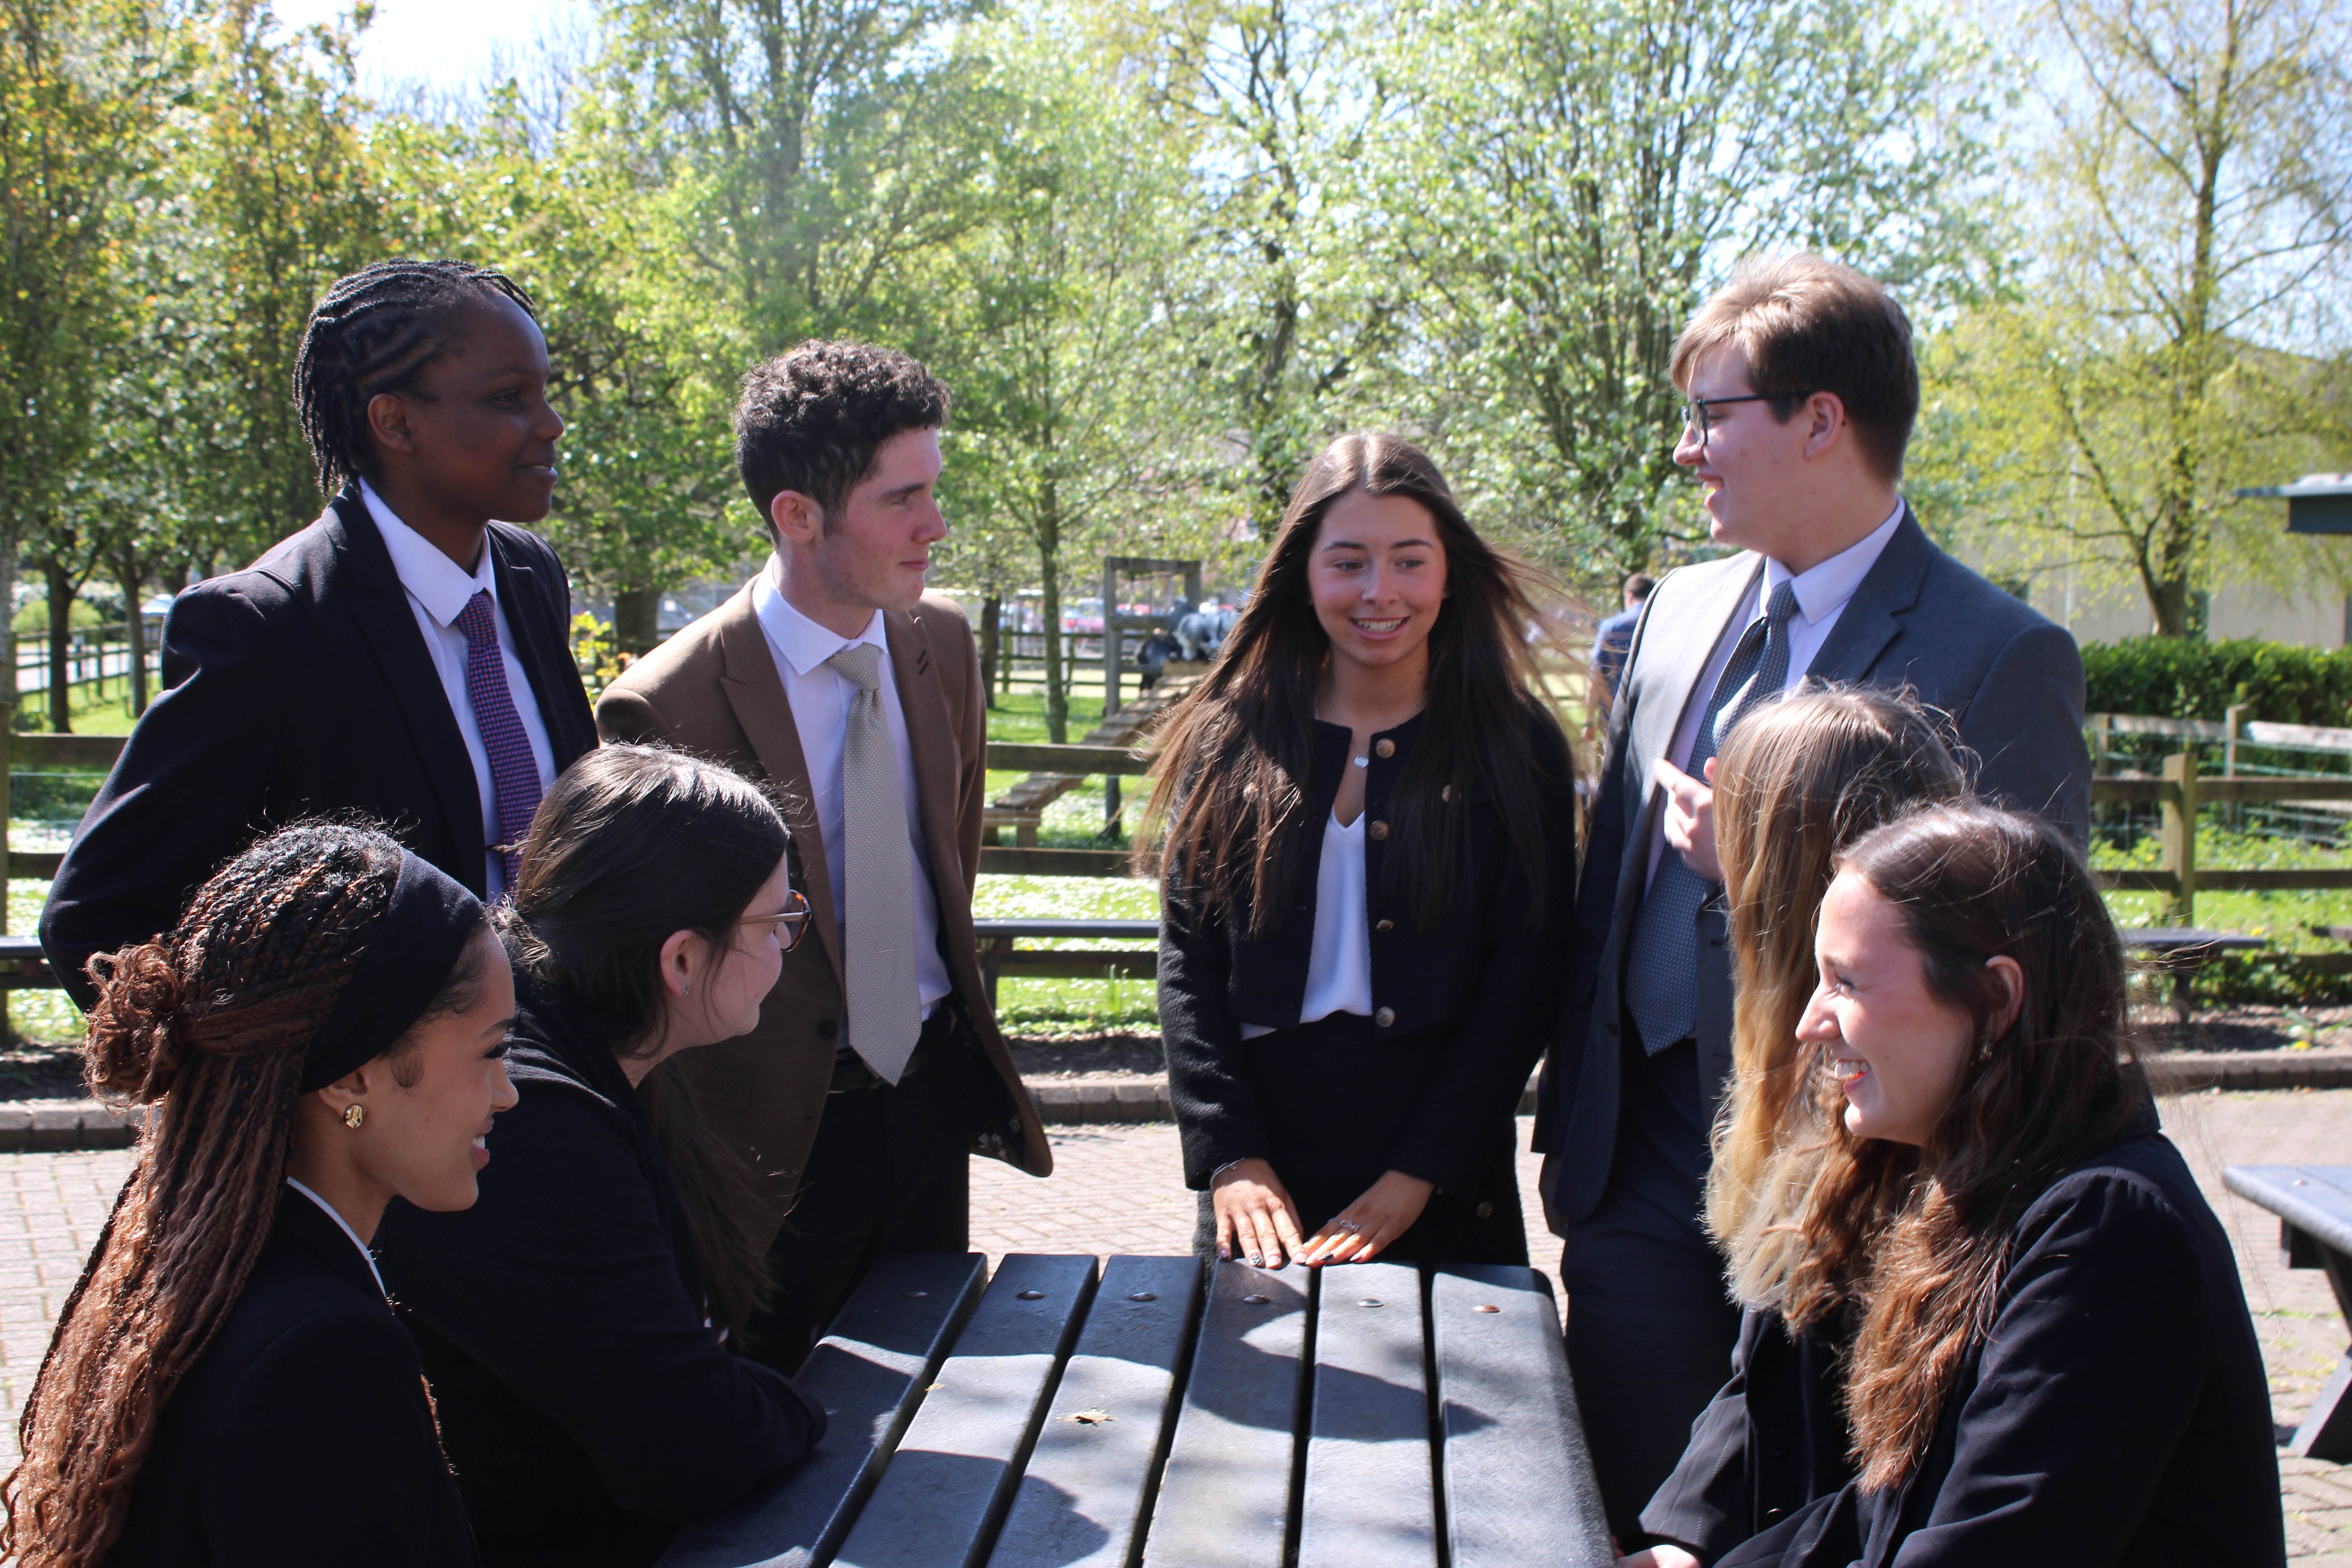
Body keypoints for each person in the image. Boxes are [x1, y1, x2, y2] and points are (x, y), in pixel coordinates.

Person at [1531, 254, 2094, 1535]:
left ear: (1820, 420)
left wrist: (1767, 874)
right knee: (1633, 1519)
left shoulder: (2000, 653)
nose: (1687, 450)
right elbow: (1610, 883)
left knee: (1794, 1518)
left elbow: (2022, 952)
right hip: (1638, 1170)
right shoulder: (1676, 612)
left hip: (1848, 1179)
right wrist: (1575, 1126)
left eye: (1712, 415)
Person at [1637, 804, 2282, 1567]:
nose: (1812, 1021)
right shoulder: (1977, 1173)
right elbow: (1887, 1513)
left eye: (1846, 982)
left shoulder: (2108, 1230)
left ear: (1996, 999)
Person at [596, 341, 1049, 1371]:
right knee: (782, 1413)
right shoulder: (666, 706)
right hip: (767, 1132)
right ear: (797, 515)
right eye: (903, 500)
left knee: (935, 1388)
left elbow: (951, 847)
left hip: (927, 1090)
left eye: (934, 490)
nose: (936, 526)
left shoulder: (943, 643)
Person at [42, 258, 599, 1009]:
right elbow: (93, 920)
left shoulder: (530, 578)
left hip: (556, 1064)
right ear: (395, 422)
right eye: (509, 398)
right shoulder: (267, 627)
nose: (551, 423)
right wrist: (274, 1067)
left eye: (544, 392)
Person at [4, 823, 517, 1568]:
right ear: (353, 1077)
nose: (507, 1093)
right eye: (493, 1050)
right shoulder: (325, 1355)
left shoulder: (191, 1262)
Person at [374, 745, 829, 1566]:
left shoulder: (588, 1041)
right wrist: (804, 1408)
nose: (784, 946)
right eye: (776, 924)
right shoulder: (529, 1122)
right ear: (682, 959)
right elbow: (690, 1448)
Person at [1149, 432, 1578, 1270]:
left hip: (1444, 1177)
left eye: (1409, 561)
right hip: (1260, 1182)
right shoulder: (1231, 734)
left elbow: (1528, 973)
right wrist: (1229, 1154)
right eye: (1347, 563)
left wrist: (1422, 1171)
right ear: (1303, 574)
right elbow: (1187, 960)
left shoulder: (1515, 744)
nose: (1380, 591)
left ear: (1448, 572)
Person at [1618, 687, 1964, 1559]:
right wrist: (1681, 1538)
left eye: (1734, 822)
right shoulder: (1823, 1059)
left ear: (1782, 865)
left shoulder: (1906, 1097)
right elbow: (1766, 1372)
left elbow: (1910, 1482)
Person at [1589, 573, 1655, 702]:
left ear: (1629, 596)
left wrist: (1589, 713)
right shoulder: (1662, 624)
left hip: (1618, 702)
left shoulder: (1612, 626)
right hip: (1654, 701)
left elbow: (1597, 671)